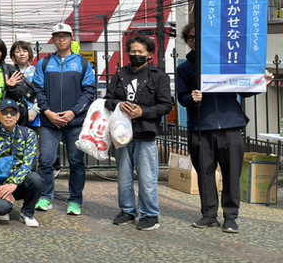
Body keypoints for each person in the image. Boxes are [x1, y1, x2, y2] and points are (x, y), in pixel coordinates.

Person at [176, 22, 273, 234]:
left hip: (231, 127)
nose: (195, 41)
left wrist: (261, 83)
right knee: (205, 174)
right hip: (200, 129)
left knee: (232, 175)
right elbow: (182, 98)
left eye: (199, 37)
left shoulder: (226, 63)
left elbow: (245, 91)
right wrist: (192, 98)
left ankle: (231, 217)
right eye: (191, 38)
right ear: (187, 42)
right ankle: (209, 215)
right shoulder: (184, 68)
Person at [105, 35, 173, 231]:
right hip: (121, 135)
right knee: (124, 176)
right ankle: (127, 210)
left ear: (149, 54)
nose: (136, 55)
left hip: (146, 133)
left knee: (147, 177)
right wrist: (119, 103)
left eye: (140, 52)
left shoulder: (159, 76)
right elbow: (108, 100)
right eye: (132, 51)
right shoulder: (120, 74)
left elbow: (166, 105)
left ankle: (150, 214)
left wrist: (143, 112)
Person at [33, 22, 96, 215]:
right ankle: (45, 197)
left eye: (65, 36)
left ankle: (75, 200)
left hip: (74, 123)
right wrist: (48, 112)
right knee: (46, 160)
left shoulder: (83, 63)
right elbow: (38, 90)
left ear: (71, 38)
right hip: (49, 122)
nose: (61, 39)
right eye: (58, 36)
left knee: (76, 163)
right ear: (53, 39)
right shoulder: (44, 63)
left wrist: (73, 112)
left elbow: (89, 91)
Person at [0, 99, 41, 227]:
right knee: (2, 211)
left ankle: (27, 213)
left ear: (18, 116)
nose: (9, 116)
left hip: (18, 183)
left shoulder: (28, 134)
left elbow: (28, 164)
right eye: (5, 112)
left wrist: (14, 184)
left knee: (36, 179)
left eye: (13, 113)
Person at [0, 37, 30, 126]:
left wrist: (11, 87)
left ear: (2, 53)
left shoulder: (10, 70)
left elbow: (18, 95)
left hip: (2, 116)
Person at [10, 40, 41, 126]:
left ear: (29, 54)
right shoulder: (10, 72)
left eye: (25, 51)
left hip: (34, 117)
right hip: (15, 117)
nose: (21, 54)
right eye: (17, 52)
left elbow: (42, 93)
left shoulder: (36, 72)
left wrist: (34, 112)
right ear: (13, 56)